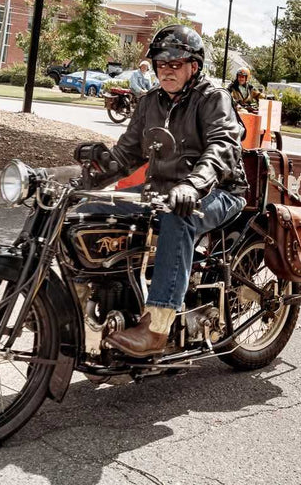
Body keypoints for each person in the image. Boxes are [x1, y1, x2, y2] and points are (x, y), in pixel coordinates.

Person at [74, 24, 247, 358]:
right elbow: (126, 155)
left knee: (178, 217)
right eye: (161, 64)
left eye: (175, 64)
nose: (167, 70)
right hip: (162, 190)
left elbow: (223, 147)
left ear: (193, 66)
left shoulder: (213, 98)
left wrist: (193, 185)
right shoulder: (150, 101)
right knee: (86, 212)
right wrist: (89, 178)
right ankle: (76, 304)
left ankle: (157, 326)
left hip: (218, 191)